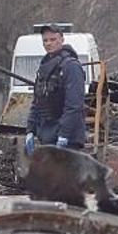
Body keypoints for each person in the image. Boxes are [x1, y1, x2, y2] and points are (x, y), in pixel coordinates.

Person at [24, 23, 87, 153]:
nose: (48, 43)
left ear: (62, 39)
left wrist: (64, 135)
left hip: (68, 140)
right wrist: (30, 130)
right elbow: (37, 101)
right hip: (47, 136)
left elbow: (74, 106)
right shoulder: (44, 67)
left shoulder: (71, 67)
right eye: (45, 40)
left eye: (53, 39)